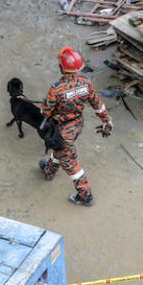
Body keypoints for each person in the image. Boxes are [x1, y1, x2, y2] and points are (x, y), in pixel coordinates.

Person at [39, 47, 112, 206]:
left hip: (62, 132)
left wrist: (47, 104)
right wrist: (106, 120)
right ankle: (49, 171)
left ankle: (86, 196)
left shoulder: (56, 89)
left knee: (71, 164)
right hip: (77, 125)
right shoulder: (86, 83)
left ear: (61, 67)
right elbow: (97, 104)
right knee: (61, 152)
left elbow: (45, 111)